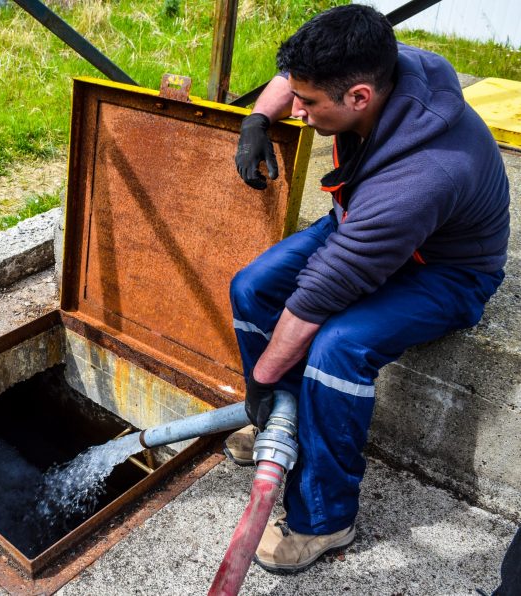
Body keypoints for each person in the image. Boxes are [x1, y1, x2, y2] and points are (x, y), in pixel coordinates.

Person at [227, 4, 510, 573]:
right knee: (252, 287)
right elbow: (297, 74)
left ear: (359, 98)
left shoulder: (422, 175)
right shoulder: (384, 63)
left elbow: (315, 300)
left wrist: (259, 378)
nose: (298, 111)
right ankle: (284, 423)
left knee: (337, 347)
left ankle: (324, 519)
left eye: (308, 105)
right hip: (359, 222)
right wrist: (258, 117)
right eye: (296, 100)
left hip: (446, 271)